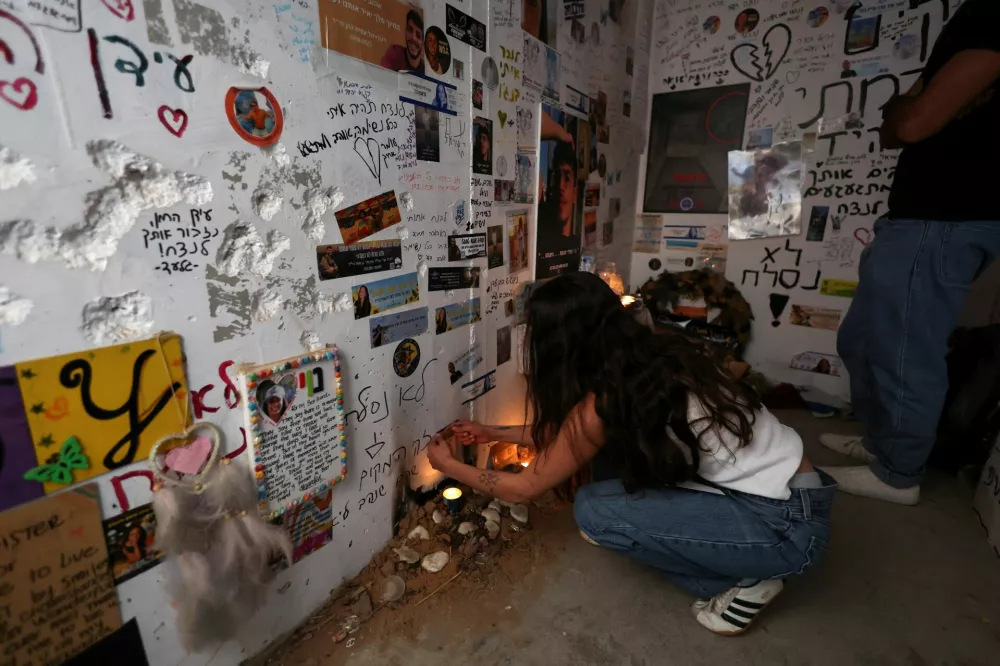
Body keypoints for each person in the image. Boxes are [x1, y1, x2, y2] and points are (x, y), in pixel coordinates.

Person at [426, 272, 834, 636]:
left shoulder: (603, 401)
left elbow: (524, 487)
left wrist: (450, 466)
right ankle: (751, 561)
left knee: (595, 512)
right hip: (797, 490)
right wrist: (490, 431)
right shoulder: (651, 354)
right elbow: (573, 437)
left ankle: (753, 578)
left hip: (784, 524)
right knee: (607, 469)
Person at [823, 0, 1000, 506]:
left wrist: (909, 106)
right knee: (863, 340)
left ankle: (898, 473)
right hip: (920, 217)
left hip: (945, 217)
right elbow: (897, 125)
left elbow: (912, 121)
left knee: (904, 351)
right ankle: (884, 441)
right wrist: (908, 109)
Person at [380, 9, 424, 73]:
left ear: (423, 42)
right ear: (405, 31)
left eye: (418, 35)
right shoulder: (394, 54)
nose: (413, 38)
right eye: (410, 30)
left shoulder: (425, 69)